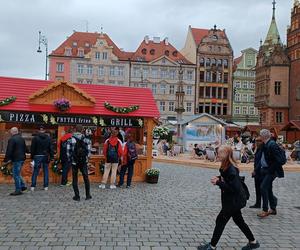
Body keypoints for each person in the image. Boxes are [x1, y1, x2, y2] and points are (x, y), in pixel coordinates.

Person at [198, 145, 260, 250]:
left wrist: (218, 182)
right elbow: (226, 178)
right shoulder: (226, 165)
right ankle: (253, 242)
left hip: (233, 201)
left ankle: (212, 246)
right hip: (232, 201)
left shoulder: (231, 168)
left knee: (220, 221)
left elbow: (233, 188)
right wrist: (218, 178)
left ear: (225, 155)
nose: (217, 154)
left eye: (219, 153)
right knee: (239, 221)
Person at [257, 129, 284, 218]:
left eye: (260, 135)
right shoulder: (265, 144)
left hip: (271, 171)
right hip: (266, 170)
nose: (259, 137)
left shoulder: (272, 145)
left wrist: (270, 169)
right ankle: (273, 209)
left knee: (263, 187)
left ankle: (265, 210)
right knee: (268, 189)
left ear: (263, 136)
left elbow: (280, 160)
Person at [66, 125, 92, 201]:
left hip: (74, 162)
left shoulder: (70, 139)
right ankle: (88, 195)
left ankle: (77, 196)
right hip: (83, 162)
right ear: (82, 130)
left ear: (75, 129)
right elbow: (89, 153)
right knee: (86, 178)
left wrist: (71, 159)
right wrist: (86, 159)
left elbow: (67, 153)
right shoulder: (87, 140)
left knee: (75, 179)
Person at [4, 127, 27, 195]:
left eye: (10, 131)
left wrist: (6, 159)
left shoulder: (12, 139)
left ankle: (18, 190)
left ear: (12, 132)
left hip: (16, 159)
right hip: (22, 158)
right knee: (17, 173)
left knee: (15, 174)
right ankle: (22, 186)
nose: (10, 132)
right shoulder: (22, 138)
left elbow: (9, 150)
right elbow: (26, 149)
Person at [30, 126, 54, 191]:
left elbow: (32, 148)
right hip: (45, 156)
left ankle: (33, 186)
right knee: (46, 171)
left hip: (37, 156)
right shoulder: (48, 138)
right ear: (44, 130)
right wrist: (52, 157)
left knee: (35, 171)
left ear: (38, 130)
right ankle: (46, 186)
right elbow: (51, 148)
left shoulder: (35, 138)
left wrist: (32, 157)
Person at [250, 137, 263, 208]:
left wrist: (255, 170)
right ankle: (258, 203)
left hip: (261, 172)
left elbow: (261, 162)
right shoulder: (258, 149)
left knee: (263, 188)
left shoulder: (263, 149)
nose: (257, 142)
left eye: (259, 141)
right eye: (256, 141)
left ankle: (273, 201)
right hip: (257, 171)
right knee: (257, 188)